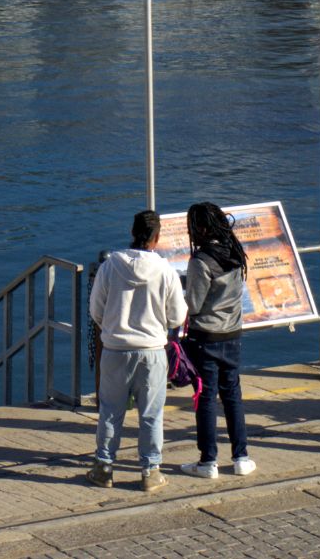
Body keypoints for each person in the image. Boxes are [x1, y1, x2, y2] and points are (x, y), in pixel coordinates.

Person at [87, 209, 186, 492]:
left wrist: (113, 326)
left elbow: (96, 309)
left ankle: (104, 467)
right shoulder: (166, 271)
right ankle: (150, 471)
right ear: (156, 238)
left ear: (132, 232)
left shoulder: (109, 266)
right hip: (152, 350)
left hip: (115, 349)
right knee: (151, 414)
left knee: (110, 411)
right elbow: (177, 316)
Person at [178, 202, 252, 479]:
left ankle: (208, 460)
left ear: (200, 228)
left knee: (206, 397)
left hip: (205, 336)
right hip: (232, 334)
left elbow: (194, 305)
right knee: (233, 395)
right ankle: (241, 456)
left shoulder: (200, 261)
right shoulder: (234, 252)